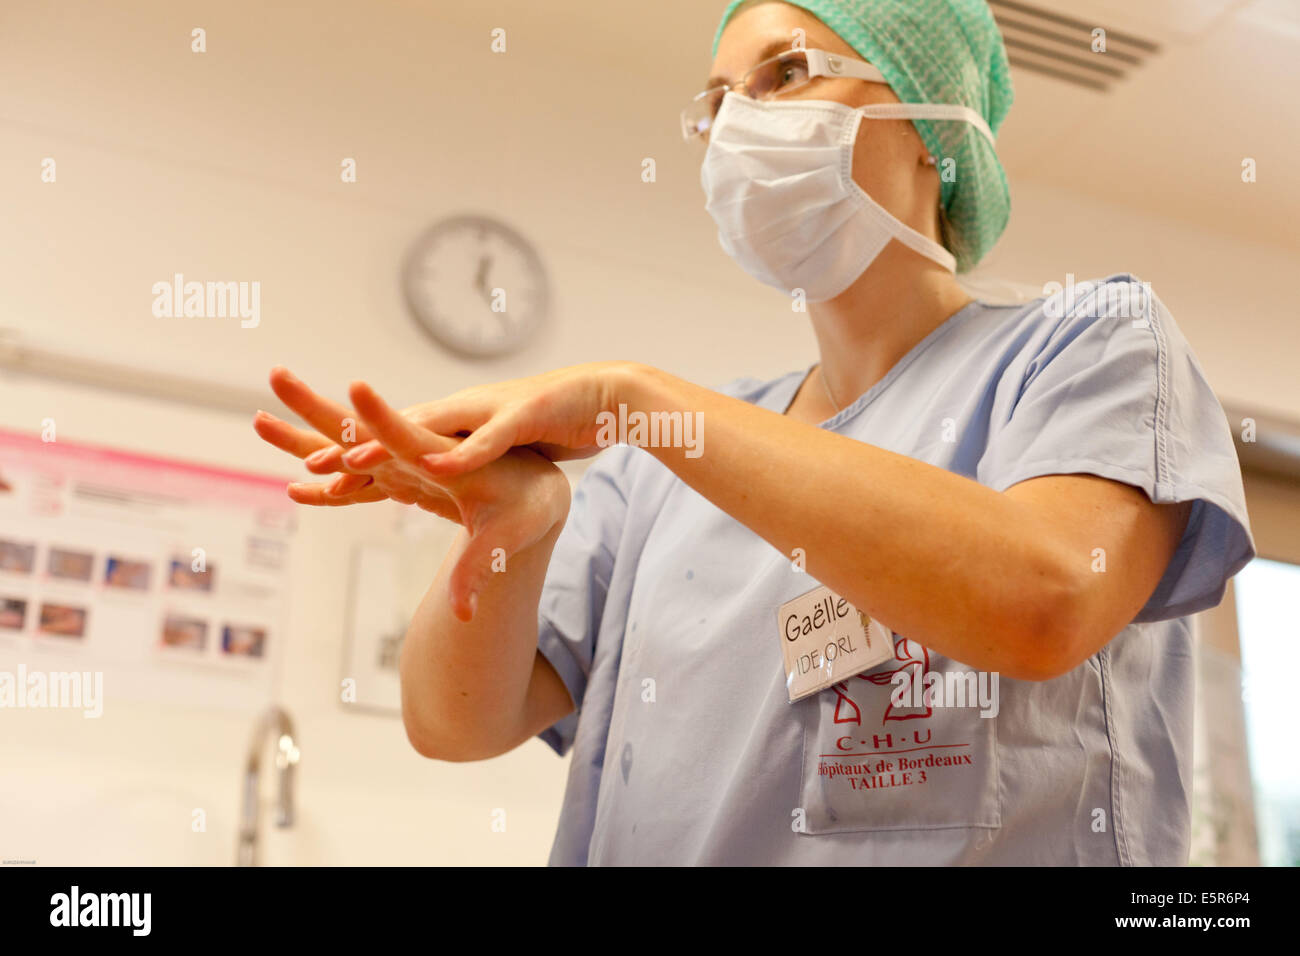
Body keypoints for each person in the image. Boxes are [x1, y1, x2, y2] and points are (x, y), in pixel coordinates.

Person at [253, 0, 1255, 865]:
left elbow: (1044, 600)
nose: (737, 124)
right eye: (717, 100)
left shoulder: (1089, 346)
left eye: (785, 74)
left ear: (930, 127)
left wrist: (635, 397)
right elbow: (454, 720)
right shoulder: (662, 476)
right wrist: (507, 526)